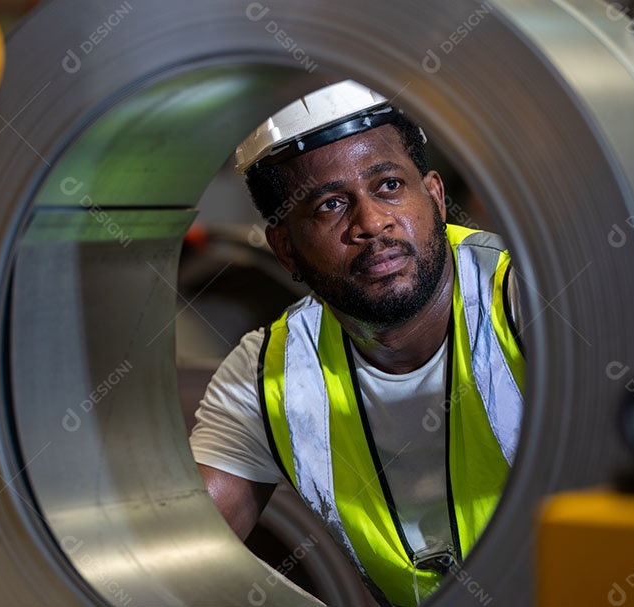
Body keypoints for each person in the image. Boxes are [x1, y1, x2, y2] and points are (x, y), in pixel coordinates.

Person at [188, 80, 525, 607]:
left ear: (435, 197)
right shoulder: (268, 375)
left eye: (389, 185)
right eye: (330, 205)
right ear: (285, 249)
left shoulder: (528, 301)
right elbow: (177, 550)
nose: (371, 222)